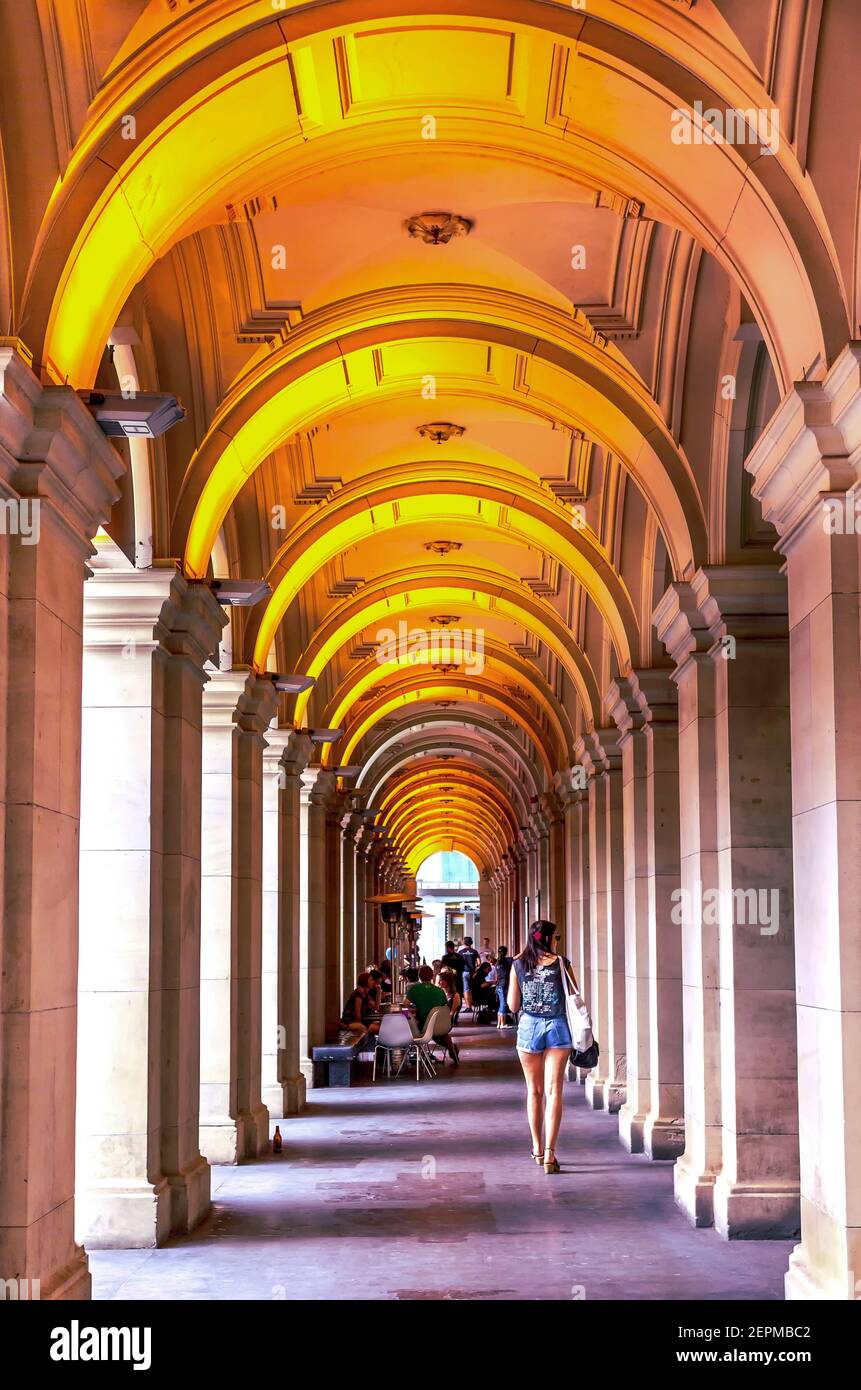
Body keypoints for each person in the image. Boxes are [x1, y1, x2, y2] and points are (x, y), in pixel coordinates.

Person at [507, 920, 575, 1174]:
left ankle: (536, 1148)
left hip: (529, 1027)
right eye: (555, 936)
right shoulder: (561, 963)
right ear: (548, 938)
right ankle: (550, 1154)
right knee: (554, 1091)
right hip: (557, 1026)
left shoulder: (518, 964)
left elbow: (513, 1006)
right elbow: (575, 997)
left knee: (534, 1092)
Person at [406, 965, 447, 1031]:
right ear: (432, 976)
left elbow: (404, 1005)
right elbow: (444, 1008)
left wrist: (407, 1016)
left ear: (419, 976)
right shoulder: (440, 991)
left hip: (421, 1025)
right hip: (438, 1025)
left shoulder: (414, 989)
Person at [434, 969, 461, 1064]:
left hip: (447, 1021)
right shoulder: (438, 993)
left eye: (441, 980)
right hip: (438, 1019)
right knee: (437, 1034)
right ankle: (451, 1047)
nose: (439, 982)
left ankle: (451, 1047)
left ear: (448, 981)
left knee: (435, 1033)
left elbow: (452, 1012)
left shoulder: (455, 995)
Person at [491, 946, 513, 1028]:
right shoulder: (506, 961)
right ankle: (503, 1024)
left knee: (501, 1004)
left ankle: (499, 1024)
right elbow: (517, 957)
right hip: (504, 985)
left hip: (499, 985)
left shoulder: (497, 963)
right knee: (503, 1004)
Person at [458, 935, 481, 1009]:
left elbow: (458, 963)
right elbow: (479, 962)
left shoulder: (461, 952)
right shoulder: (474, 951)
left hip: (464, 972)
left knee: (466, 989)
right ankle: (471, 1003)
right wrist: (476, 969)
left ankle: (468, 1007)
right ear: (471, 943)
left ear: (464, 943)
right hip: (473, 972)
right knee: (471, 989)